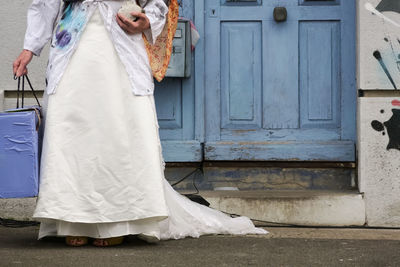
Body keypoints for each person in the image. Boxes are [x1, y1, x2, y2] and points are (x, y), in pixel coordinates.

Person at [13, 0, 268, 247]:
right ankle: (74, 222)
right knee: (73, 128)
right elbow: (46, 2)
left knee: (118, 127)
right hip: (73, 41)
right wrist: (30, 47)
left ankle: (120, 223)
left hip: (122, 36)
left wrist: (148, 21)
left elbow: (159, 2)